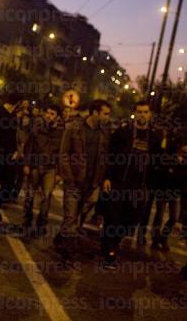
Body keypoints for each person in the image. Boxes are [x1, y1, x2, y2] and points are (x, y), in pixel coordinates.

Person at [100, 101, 162, 269]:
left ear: (150, 114)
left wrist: (150, 186)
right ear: (135, 113)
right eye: (139, 111)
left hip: (138, 186)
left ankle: (113, 241)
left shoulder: (155, 137)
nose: (142, 115)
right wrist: (107, 177)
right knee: (112, 217)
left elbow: (156, 163)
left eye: (146, 112)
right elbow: (110, 155)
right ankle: (109, 253)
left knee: (131, 219)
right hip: (119, 182)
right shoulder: (123, 132)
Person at [56, 99, 111, 259]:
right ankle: (67, 253)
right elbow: (64, 153)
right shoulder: (74, 128)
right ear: (95, 112)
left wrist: (99, 181)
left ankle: (61, 238)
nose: (108, 117)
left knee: (77, 217)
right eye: (105, 114)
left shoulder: (104, 132)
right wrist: (68, 176)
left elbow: (105, 157)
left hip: (91, 184)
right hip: (74, 181)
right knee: (71, 217)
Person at [22, 104, 64, 236]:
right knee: (30, 195)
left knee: (46, 197)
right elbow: (29, 146)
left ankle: (41, 224)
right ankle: (27, 221)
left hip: (50, 168)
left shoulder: (62, 131)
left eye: (52, 114)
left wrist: (60, 173)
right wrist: (27, 164)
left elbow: (63, 153)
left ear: (57, 116)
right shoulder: (37, 127)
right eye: (48, 113)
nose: (48, 116)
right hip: (35, 165)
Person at [0, 93, 22, 222]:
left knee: (8, 184)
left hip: (9, 156)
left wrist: (15, 150)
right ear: (17, 103)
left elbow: (13, 136)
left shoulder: (13, 116)